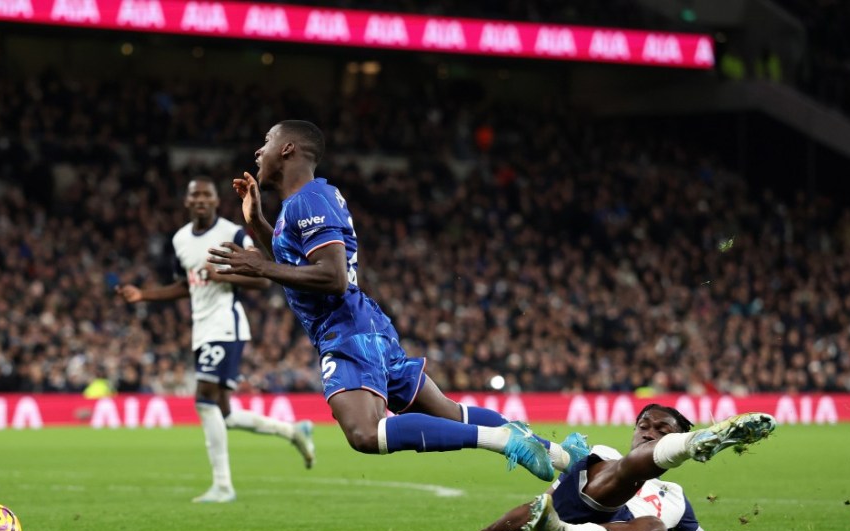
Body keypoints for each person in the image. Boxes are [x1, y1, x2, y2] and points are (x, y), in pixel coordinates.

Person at [207, 120, 585, 480]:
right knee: (451, 414)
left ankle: (505, 439)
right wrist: (256, 222)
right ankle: (567, 458)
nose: (259, 150)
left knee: (365, 433)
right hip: (362, 326)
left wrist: (260, 268)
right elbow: (298, 269)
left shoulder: (310, 199)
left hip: (347, 330)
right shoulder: (303, 202)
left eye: (268, 141)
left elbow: (333, 278)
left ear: (288, 148)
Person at [410, 407, 839, 531]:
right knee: (614, 465)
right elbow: (532, 509)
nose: (647, 431)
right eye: (643, 425)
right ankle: (695, 445)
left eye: (660, 429)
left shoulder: (674, 500)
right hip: (580, 512)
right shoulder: (601, 456)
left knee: (653, 527)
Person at [117, 176, 316, 503]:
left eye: (206, 195)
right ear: (187, 201)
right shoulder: (181, 239)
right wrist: (144, 295)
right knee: (223, 413)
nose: (200, 200)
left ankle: (223, 486)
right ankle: (294, 431)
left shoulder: (232, 233)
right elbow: (186, 285)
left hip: (226, 325)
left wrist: (221, 274)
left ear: (214, 201)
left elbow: (263, 278)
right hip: (202, 329)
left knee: (204, 400)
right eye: (194, 195)